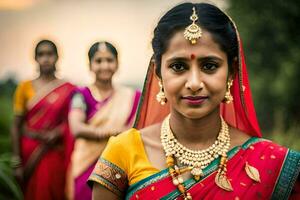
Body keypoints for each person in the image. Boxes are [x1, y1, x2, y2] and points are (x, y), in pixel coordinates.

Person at [88, 3, 300, 200]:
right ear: (158, 73)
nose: (194, 83)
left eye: (209, 66)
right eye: (178, 66)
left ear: (232, 72)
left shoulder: (271, 163)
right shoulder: (123, 151)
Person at [68, 41, 141, 200]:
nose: (104, 65)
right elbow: (77, 128)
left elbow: (137, 129)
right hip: (85, 165)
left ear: (117, 64)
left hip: (120, 165)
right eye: (98, 61)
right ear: (90, 65)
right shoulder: (80, 95)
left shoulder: (131, 96)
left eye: (109, 60)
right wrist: (115, 132)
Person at [11, 39, 76, 200]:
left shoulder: (69, 89)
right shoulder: (24, 87)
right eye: (41, 54)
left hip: (55, 150)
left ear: (57, 57)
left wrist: (59, 132)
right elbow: (16, 126)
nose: (45, 58)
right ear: (35, 58)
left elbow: (71, 122)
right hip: (30, 150)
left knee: (54, 191)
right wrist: (16, 161)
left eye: (50, 54)